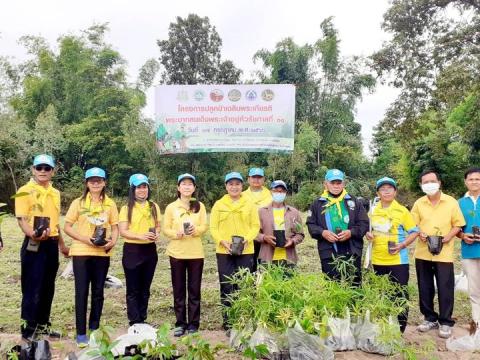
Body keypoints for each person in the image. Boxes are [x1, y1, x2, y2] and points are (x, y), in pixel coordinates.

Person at [15, 154, 69, 341]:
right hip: (34, 244)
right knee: (31, 287)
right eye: (39, 168)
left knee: (48, 287)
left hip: (52, 244)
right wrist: (33, 233)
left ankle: (43, 326)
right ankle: (28, 330)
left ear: (53, 171)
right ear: (33, 170)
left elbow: (56, 222)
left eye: (47, 168)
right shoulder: (24, 191)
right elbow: (21, 220)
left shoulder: (55, 193)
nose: (43, 171)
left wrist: (62, 245)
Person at [63, 167, 119, 347]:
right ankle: (81, 333)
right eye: (92, 180)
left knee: (98, 292)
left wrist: (113, 242)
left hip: (101, 254)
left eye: (99, 180)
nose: (95, 183)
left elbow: (116, 227)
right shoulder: (77, 203)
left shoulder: (110, 204)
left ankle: (94, 329)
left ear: (104, 182)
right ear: (87, 183)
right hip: (81, 253)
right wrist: (86, 239)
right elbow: (68, 227)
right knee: (81, 292)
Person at [411, 170, 465, 338]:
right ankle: (429, 318)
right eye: (425, 182)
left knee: (445, 287)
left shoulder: (451, 202)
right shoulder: (419, 203)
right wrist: (420, 233)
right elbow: (413, 225)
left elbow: (458, 224)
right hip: (423, 252)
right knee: (424, 286)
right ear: (421, 185)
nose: (429, 184)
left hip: (445, 252)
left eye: (432, 181)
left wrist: (446, 238)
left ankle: (446, 321)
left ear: (439, 182)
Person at [365, 177, 419, 333]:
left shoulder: (402, 211)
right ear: (378, 193)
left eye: (390, 188)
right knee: (381, 294)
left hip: (398, 261)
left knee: (399, 294)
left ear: (395, 192)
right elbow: (368, 230)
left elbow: (414, 232)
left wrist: (402, 245)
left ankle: (399, 330)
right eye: (383, 189)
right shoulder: (373, 211)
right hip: (377, 259)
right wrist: (367, 235)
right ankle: (382, 327)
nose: (386, 191)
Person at [210, 172, 260, 331]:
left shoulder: (250, 204)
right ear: (226, 186)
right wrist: (222, 241)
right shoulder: (219, 204)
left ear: (242, 186)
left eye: (237, 184)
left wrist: (247, 239)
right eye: (230, 184)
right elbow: (213, 227)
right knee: (227, 285)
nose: (234, 187)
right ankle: (229, 322)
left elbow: (255, 226)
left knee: (244, 285)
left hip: (246, 250)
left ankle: (244, 320)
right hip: (224, 251)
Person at [163, 173, 207, 337]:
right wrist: (177, 233)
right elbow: (165, 229)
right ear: (178, 188)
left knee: (194, 290)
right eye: (184, 184)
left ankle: (194, 324)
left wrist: (197, 231)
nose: (187, 187)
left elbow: (204, 226)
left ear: (194, 188)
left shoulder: (199, 206)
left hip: (196, 253)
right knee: (179, 290)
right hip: (177, 253)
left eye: (190, 184)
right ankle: (180, 323)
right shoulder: (171, 207)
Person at [306, 169, 369, 285]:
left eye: (338, 183)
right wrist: (323, 232)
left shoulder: (354, 202)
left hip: (352, 250)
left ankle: (353, 303)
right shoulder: (317, 204)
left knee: (353, 285)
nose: (336, 186)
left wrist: (351, 232)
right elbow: (311, 224)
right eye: (332, 183)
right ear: (325, 184)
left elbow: (364, 223)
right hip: (328, 251)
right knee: (331, 286)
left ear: (344, 184)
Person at [119, 174, 161, 327]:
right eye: (138, 187)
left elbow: (158, 226)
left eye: (144, 186)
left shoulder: (153, 207)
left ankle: (142, 318)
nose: (142, 190)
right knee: (133, 288)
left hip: (150, 250)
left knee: (145, 287)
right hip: (132, 251)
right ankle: (134, 320)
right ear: (132, 189)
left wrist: (156, 233)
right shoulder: (126, 208)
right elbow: (123, 231)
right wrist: (140, 236)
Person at [256, 180, 304, 267]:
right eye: (276, 191)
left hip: (289, 259)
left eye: (281, 191)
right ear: (271, 192)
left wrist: (292, 241)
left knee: (289, 280)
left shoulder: (294, 212)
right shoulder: (261, 212)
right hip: (267, 259)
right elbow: (254, 233)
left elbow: (300, 234)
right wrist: (264, 238)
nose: (279, 193)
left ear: (285, 192)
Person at [458, 168, 480, 333]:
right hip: (469, 251)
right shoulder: (459, 203)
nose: (474, 182)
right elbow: (455, 227)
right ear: (466, 182)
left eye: (477, 179)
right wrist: (462, 235)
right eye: (471, 179)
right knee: (474, 290)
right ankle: (477, 325)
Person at [242, 167, 272, 272]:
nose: (256, 180)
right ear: (248, 179)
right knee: (249, 265)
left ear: (263, 179)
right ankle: (251, 287)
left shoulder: (270, 195)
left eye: (259, 177)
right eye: (253, 177)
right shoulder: (242, 196)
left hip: (266, 235)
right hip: (248, 235)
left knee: (265, 266)